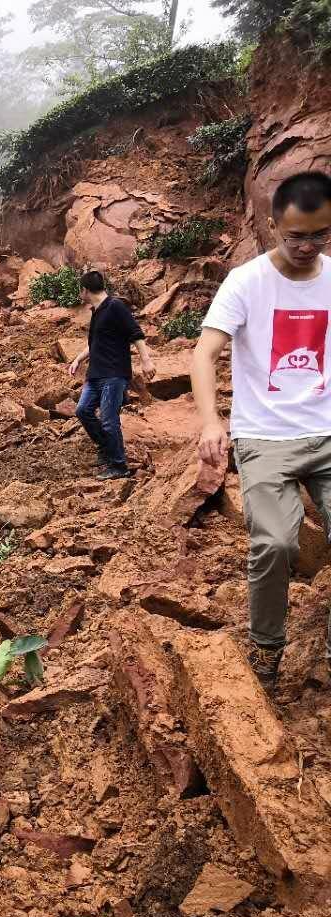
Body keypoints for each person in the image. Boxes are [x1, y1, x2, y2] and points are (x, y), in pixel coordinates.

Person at [192, 170, 331, 688]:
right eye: (296, 235)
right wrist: (211, 420)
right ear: (273, 226)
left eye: (320, 234)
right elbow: (205, 350)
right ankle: (268, 648)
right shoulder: (246, 281)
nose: (308, 245)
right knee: (274, 543)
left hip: (327, 432)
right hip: (266, 437)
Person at [68, 270, 157, 480]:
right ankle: (107, 449)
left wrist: (146, 360)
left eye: (80, 290)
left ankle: (119, 465)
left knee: (109, 419)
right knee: (83, 411)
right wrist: (78, 359)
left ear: (85, 290)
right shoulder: (97, 311)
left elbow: (136, 333)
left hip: (114, 374)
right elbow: (95, 344)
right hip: (96, 374)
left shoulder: (115, 306)